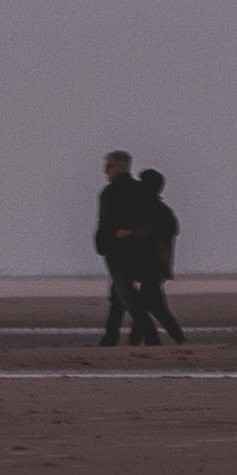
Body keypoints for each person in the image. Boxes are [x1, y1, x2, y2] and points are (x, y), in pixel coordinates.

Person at [94, 147, 151, 344]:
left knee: (126, 296)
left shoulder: (112, 192)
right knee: (118, 296)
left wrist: (109, 239)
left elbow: (106, 221)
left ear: (120, 167)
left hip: (118, 250)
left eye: (108, 166)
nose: (105, 171)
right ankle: (110, 336)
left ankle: (150, 336)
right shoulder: (140, 190)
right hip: (135, 249)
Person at [127, 166, 189, 346]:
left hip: (152, 266)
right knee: (151, 305)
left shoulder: (155, 210)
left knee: (155, 307)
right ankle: (143, 341)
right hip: (156, 266)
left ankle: (174, 340)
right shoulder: (160, 210)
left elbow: (151, 234)